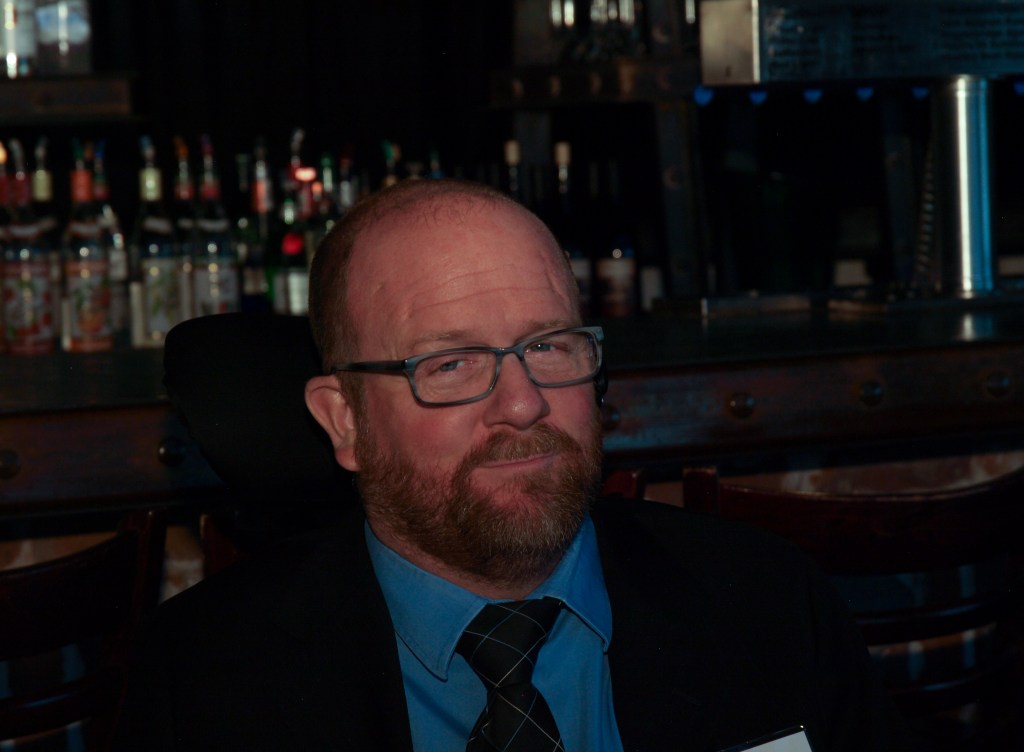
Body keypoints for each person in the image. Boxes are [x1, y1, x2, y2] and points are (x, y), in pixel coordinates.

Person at [113, 178, 916, 751]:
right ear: (344, 420)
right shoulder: (207, 681)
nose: (525, 403)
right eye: (453, 364)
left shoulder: (770, 608)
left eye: (550, 346)